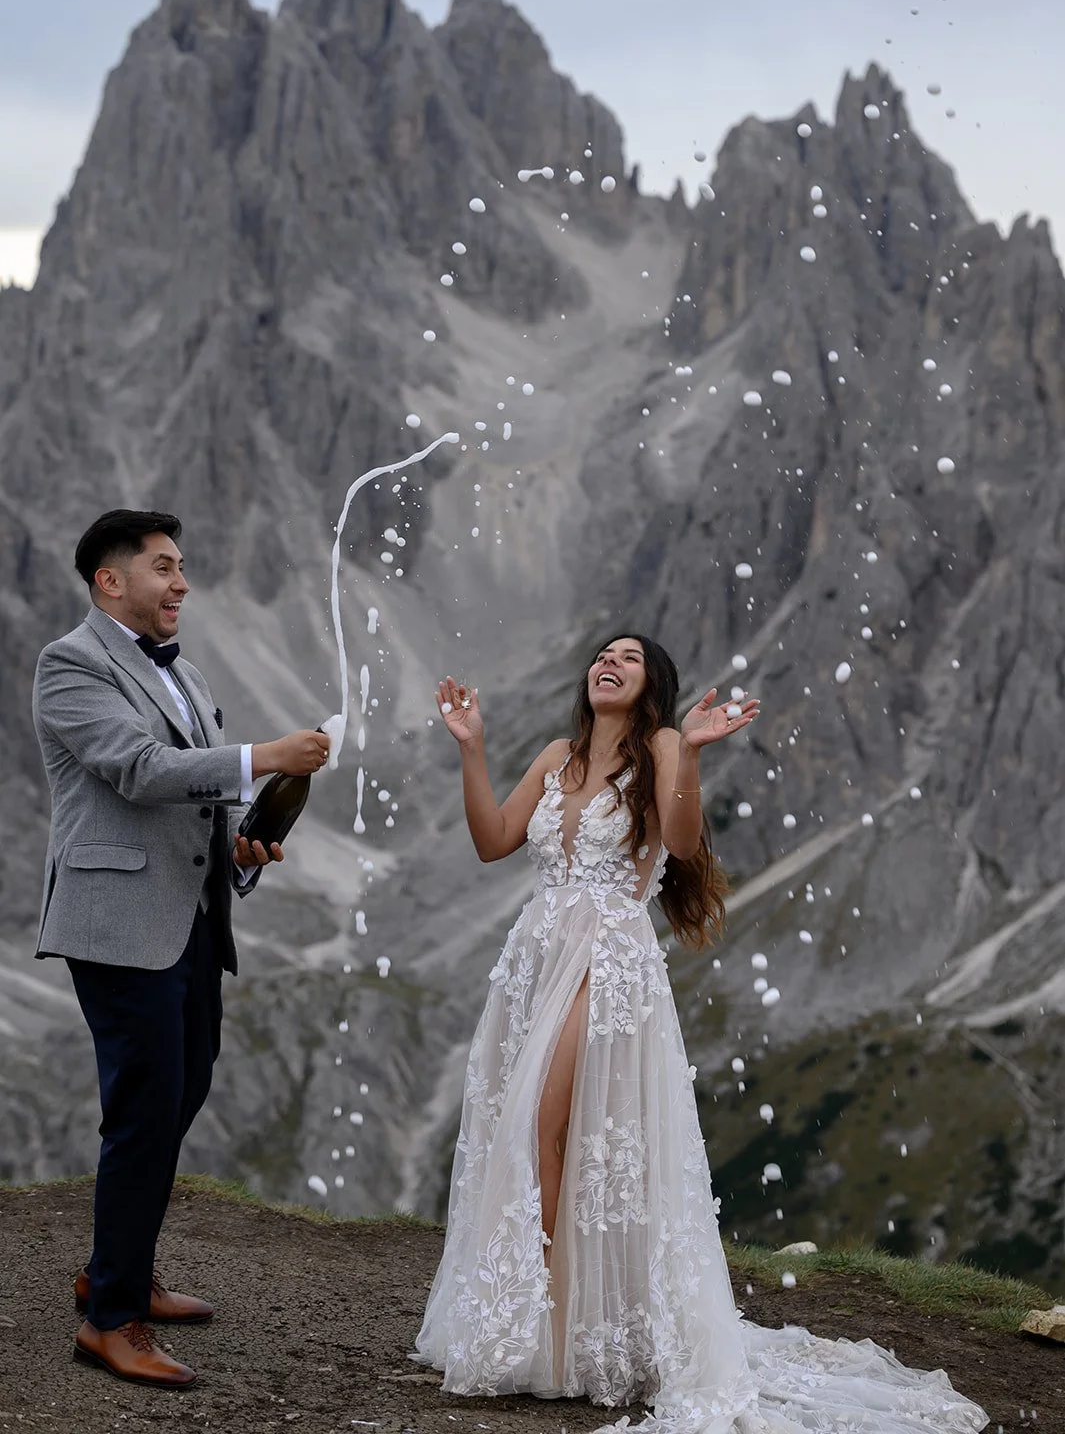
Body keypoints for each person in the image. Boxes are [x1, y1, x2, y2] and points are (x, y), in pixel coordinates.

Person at [414, 634, 988, 1433]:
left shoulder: (660, 746)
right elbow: (490, 842)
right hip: (532, 960)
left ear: (652, 685)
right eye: (602, 653)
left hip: (605, 961)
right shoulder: (556, 755)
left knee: (539, 1128)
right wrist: (471, 748)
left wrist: (691, 751)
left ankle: (525, 1324)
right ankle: (546, 1328)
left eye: (630, 657)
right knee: (524, 1132)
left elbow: (680, 844)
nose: (608, 662)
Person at [32, 509, 331, 1391]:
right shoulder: (70, 664)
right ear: (109, 580)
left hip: (194, 923)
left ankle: (114, 1269)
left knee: (179, 1093)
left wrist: (242, 846)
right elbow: (139, 770)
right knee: (143, 1110)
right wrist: (266, 753)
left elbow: (198, 804)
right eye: (163, 567)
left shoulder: (188, 675)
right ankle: (111, 1318)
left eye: (184, 566)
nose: (182, 583)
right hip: (118, 925)